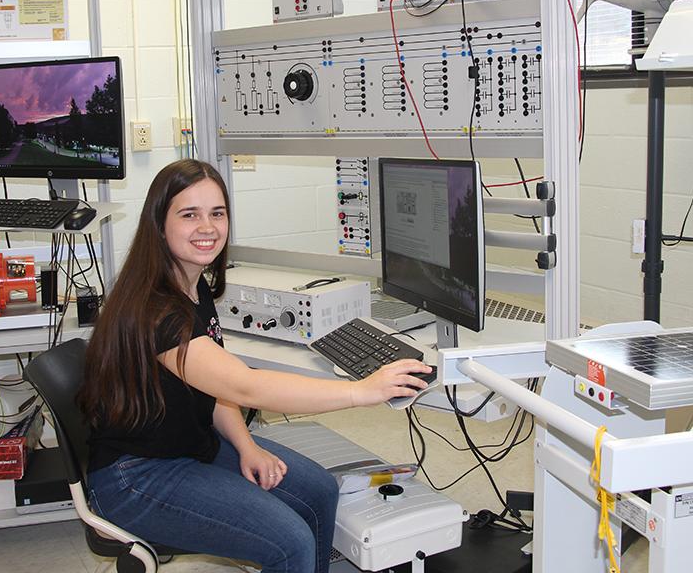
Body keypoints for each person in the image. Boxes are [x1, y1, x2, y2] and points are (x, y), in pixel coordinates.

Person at [77, 159, 432, 573]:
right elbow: (245, 387)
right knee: (289, 542)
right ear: (160, 224)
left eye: (217, 213)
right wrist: (361, 391)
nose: (207, 227)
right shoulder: (156, 311)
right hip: (137, 477)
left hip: (190, 445)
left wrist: (247, 446)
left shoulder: (193, 286)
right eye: (189, 214)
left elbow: (218, 392)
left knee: (317, 491)